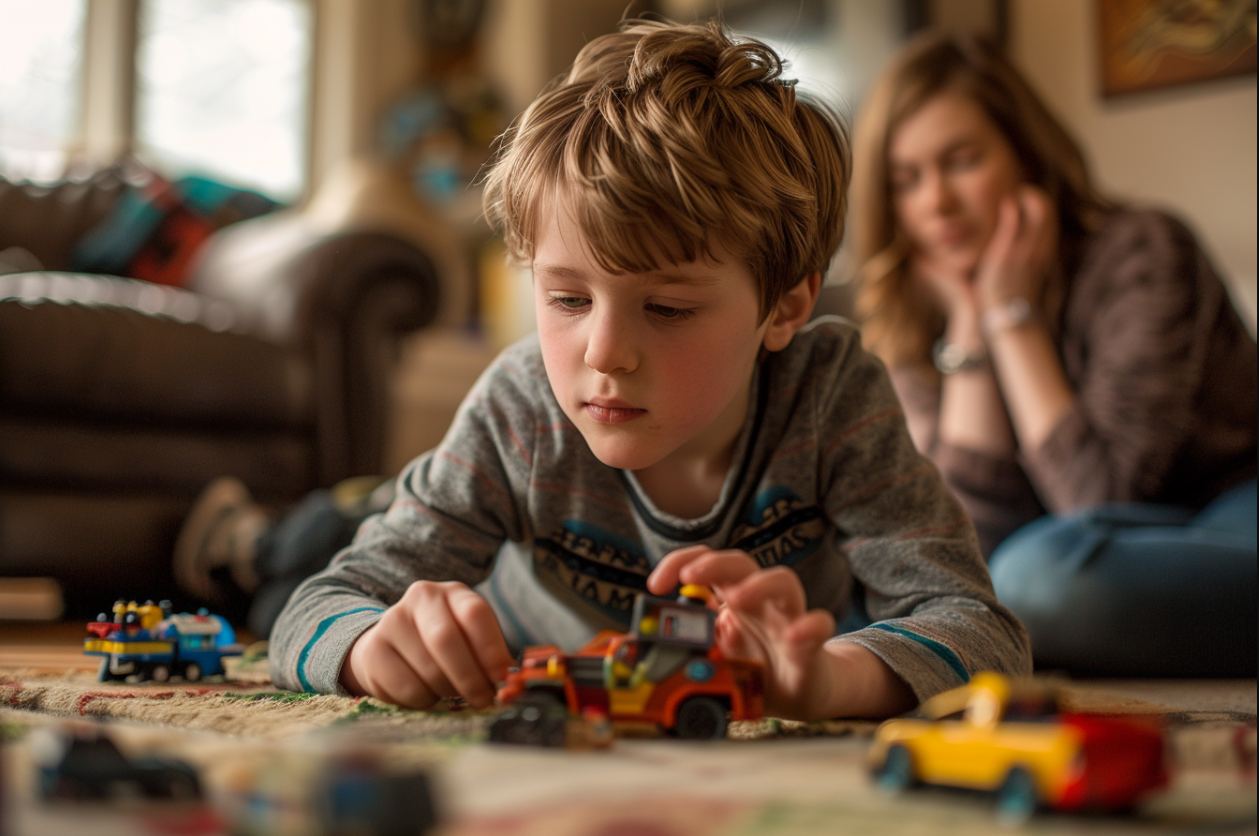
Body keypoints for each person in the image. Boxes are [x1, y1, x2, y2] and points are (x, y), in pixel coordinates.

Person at [267, 18, 1031, 719]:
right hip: (486, 560)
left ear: (785, 307)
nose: (602, 352)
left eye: (665, 308)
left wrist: (830, 679)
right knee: (310, 549)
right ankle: (256, 539)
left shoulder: (830, 394)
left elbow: (980, 629)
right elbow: (315, 609)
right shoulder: (521, 407)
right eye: (566, 298)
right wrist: (370, 647)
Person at [849, 33, 1257, 677]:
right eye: (906, 181)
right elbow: (964, 551)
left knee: (1043, 581)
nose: (936, 203)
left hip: (1225, 509)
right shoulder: (913, 308)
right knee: (892, 584)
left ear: (1026, 155)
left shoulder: (1142, 251)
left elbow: (1100, 495)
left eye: (961, 161)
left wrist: (1012, 314)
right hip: (1071, 550)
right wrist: (971, 327)